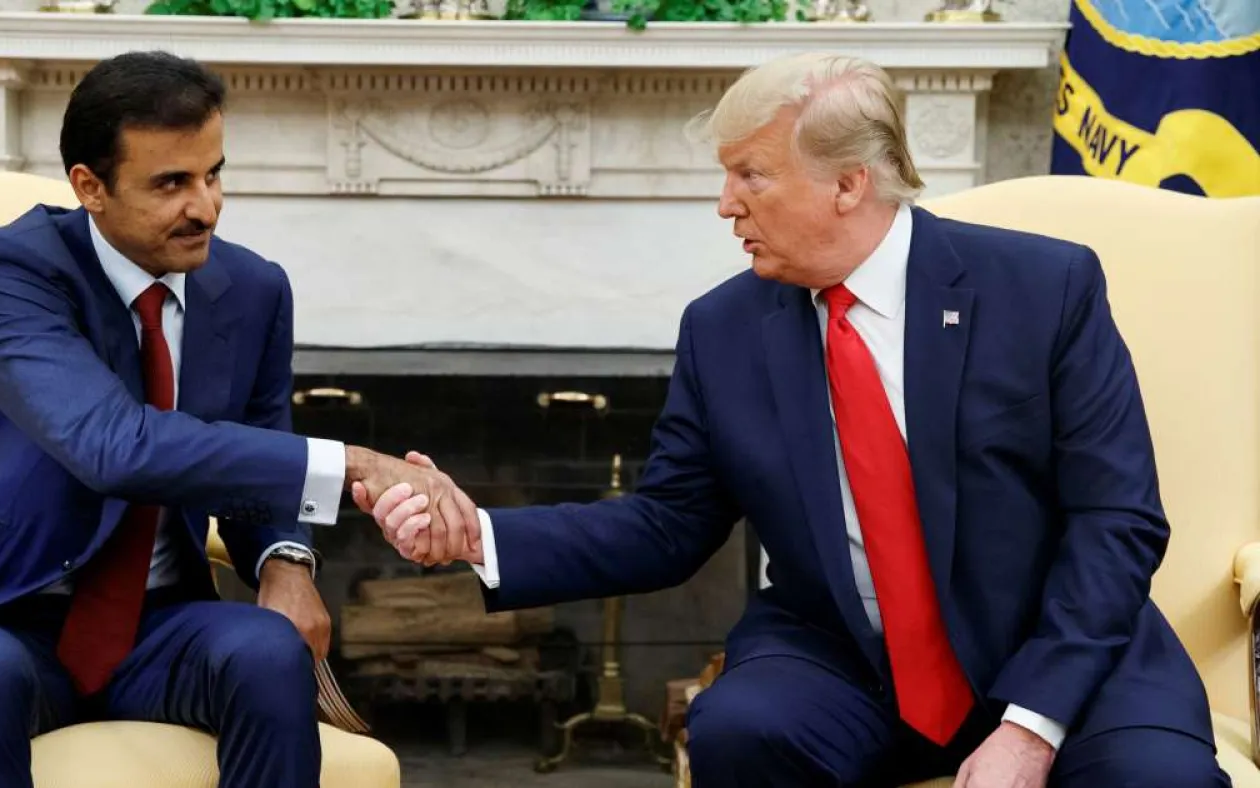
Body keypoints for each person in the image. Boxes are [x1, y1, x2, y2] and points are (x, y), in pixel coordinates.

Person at [360, 53, 1229, 787]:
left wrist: (1032, 727)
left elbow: (1116, 518)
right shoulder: (724, 328)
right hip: (849, 654)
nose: (725, 204)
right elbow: (668, 523)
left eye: (751, 175)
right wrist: (478, 535)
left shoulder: (1044, 290)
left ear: (850, 183)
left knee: (1162, 779)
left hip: (1058, 644)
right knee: (742, 729)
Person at [0, 51, 478, 788]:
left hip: (160, 624)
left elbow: (260, 456)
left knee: (267, 652)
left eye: (213, 174)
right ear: (90, 187)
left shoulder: (252, 290)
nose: (207, 207)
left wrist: (285, 561)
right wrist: (353, 464)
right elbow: (112, 447)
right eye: (171, 184)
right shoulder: (7, 274)